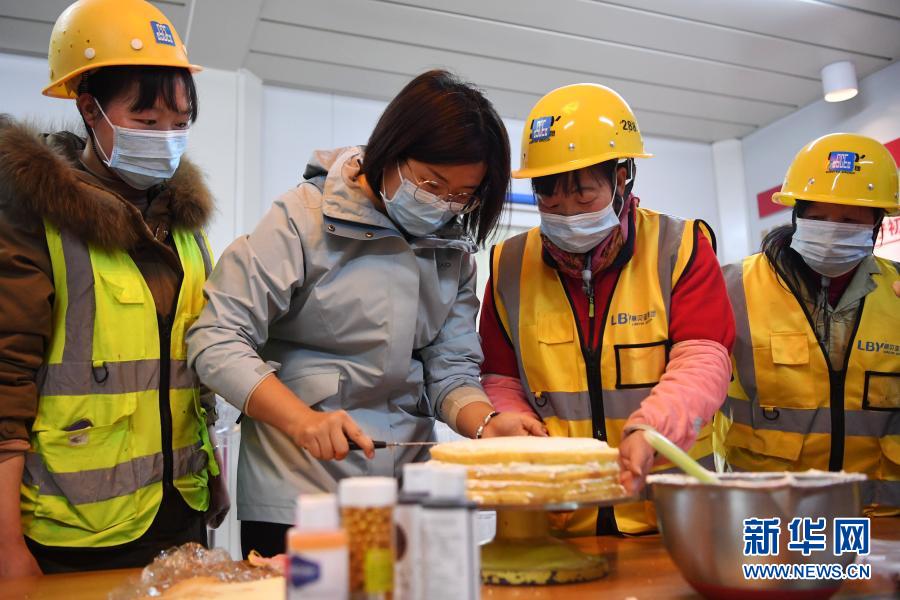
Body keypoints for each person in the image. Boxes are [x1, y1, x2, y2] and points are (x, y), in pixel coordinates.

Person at [186, 69, 546, 558]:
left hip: (405, 493)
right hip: (299, 493)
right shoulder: (301, 221)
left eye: (462, 196)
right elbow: (216, 339)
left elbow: (451, 371)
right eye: (431, 183)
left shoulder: (453, 251)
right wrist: (302, 421)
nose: (443, 204)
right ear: (391, 150)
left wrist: (487, 424)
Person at [0, 0, 228, 577]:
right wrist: (5, 546)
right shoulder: (33, 219)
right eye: (147, 123)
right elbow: (5, 382)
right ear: (88, 108)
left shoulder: (183, 225)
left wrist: (213, 473)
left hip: (180, 511)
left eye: (180, 124)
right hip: (75, 527)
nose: (166, 139)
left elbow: (193, 371)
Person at [478, 83, 735, 535]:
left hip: (670, 519)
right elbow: (500, 380)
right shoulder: (509, 265)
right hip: (558, 517)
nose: (567, 213)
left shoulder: (680, 248)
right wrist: (516, 428)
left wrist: (652, 429)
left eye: (584, 197)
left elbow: (703, 360)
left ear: (622, 177)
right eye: (550, 199)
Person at [714, 133, 899, 515]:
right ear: (797, 216)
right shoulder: (733, 286)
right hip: (769, 515)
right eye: (818, 218)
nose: (832, 231)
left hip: (880, 516)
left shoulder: (897, 292)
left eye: (849, 220)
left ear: (876, 224)